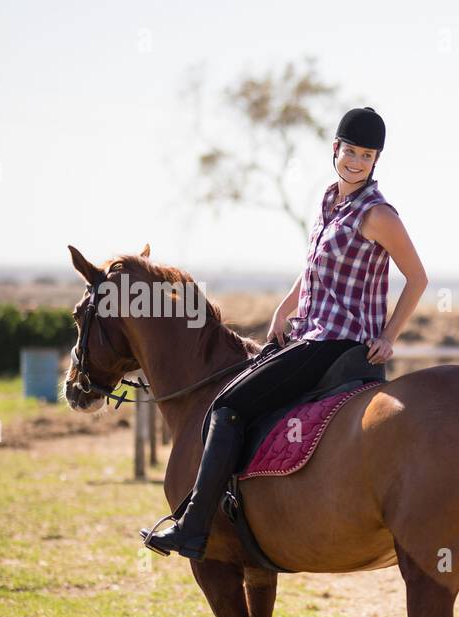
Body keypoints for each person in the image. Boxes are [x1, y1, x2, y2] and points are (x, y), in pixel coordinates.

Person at [142, 106, 428, 559]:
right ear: (335, 149)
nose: (355, 162)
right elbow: (314, 268)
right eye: (350, 151)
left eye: (366, 156)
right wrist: (283, 309)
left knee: (228, 404)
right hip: (305, 333)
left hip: (337, 343)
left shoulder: (378, 216)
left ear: (376, 162)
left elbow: (417, 278)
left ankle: (194, 525)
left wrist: (389, 335)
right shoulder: (327, 200)